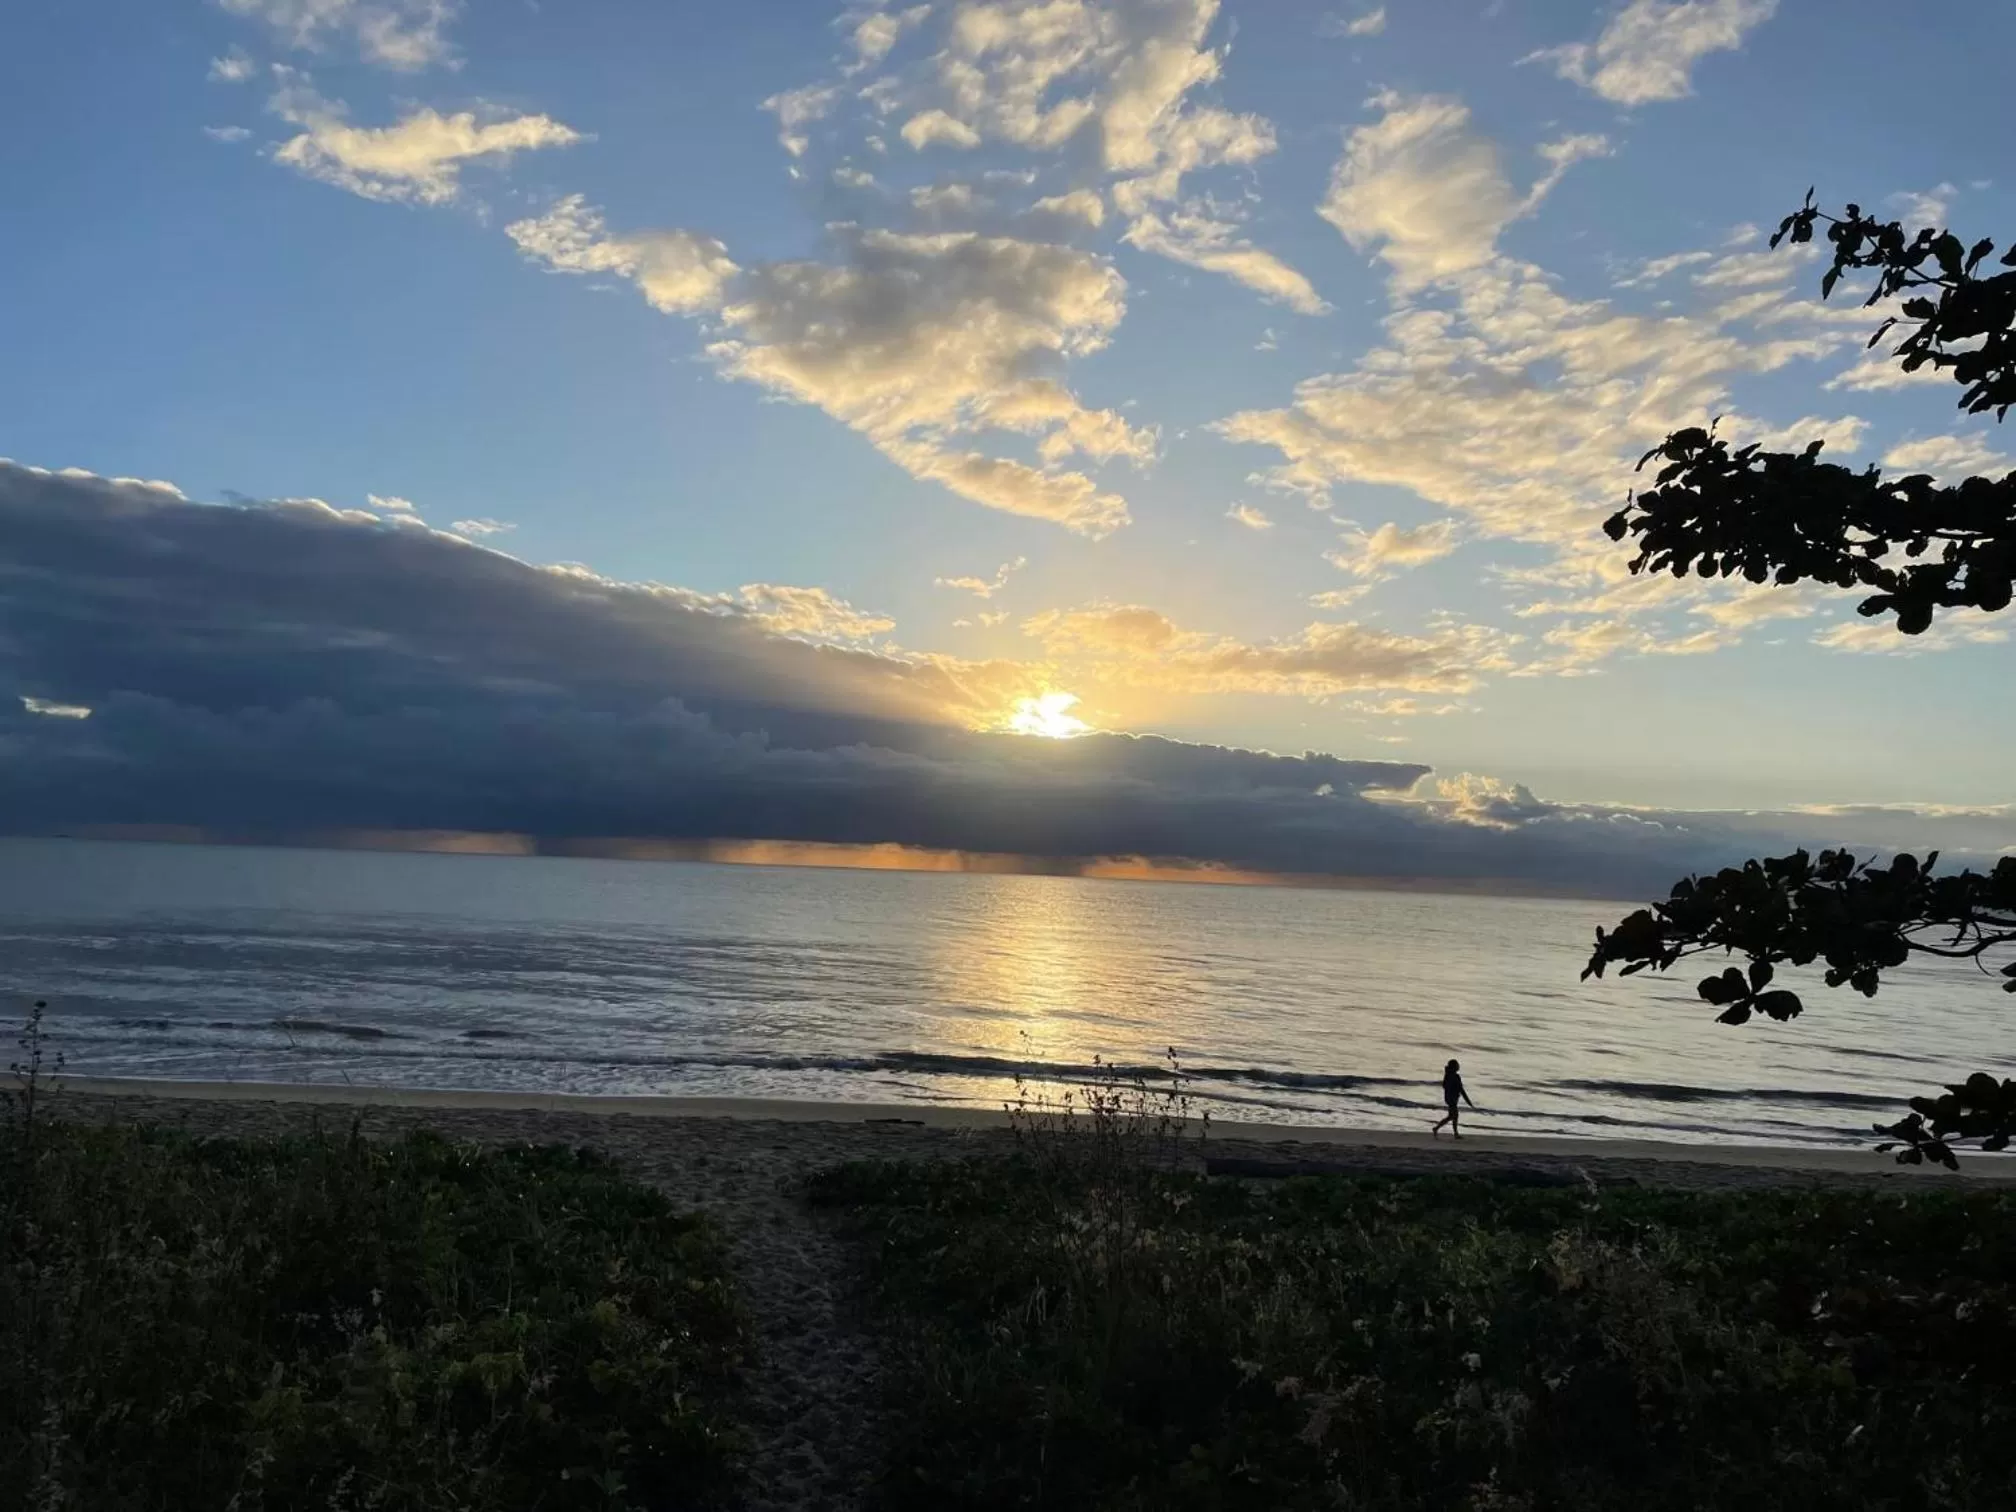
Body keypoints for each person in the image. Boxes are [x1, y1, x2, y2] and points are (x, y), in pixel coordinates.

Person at [1431, 1058, 1475, 1138]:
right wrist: (1468, 1102)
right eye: (1457, 1065)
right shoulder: (1454, 1076)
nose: (1459, 1066)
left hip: (1449, 1098)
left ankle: (1437, 1128)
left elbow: (1446, 1086)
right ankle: (1455, 1134)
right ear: (1454, 1067)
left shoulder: (1448, 1075)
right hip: (1452, 1099)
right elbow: (1461, 1090)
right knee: (1454, 1115)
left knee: (1451, 1116)